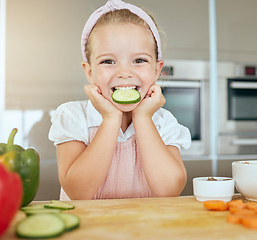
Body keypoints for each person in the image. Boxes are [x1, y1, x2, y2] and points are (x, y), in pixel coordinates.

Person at [49, 0, 191, 200]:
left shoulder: (162, 122)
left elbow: (170, 190)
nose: (124, 73)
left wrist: (143, 118)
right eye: (108, 61)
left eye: (139, 60)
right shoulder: (73, 116)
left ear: (157, 70)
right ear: (89, 72)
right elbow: (78, 192)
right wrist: (110, 119)